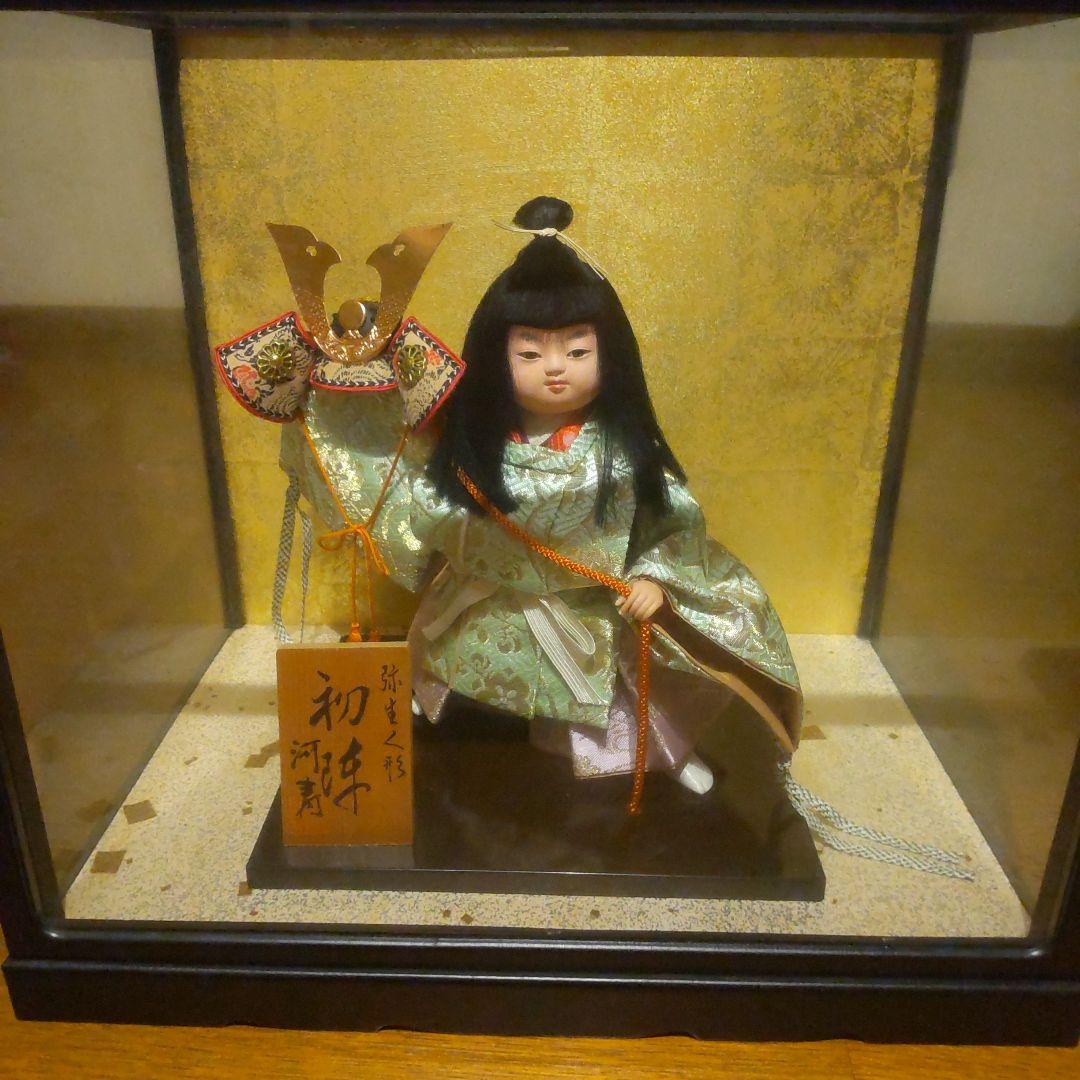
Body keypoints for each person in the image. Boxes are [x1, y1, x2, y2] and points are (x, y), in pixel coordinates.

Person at [280, 196, 802, 796]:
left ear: (610, 356)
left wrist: (655, 579)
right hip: (488, 607)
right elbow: (421, 508)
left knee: (618, 706)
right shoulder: (473, 447)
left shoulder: (619, 453)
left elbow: (674, 524)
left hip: (587, 612)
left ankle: (656, 752)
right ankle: (446, 730)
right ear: (496, 358)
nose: (556, 368)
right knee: (455, 696)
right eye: (530, 353)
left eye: (577, 351)